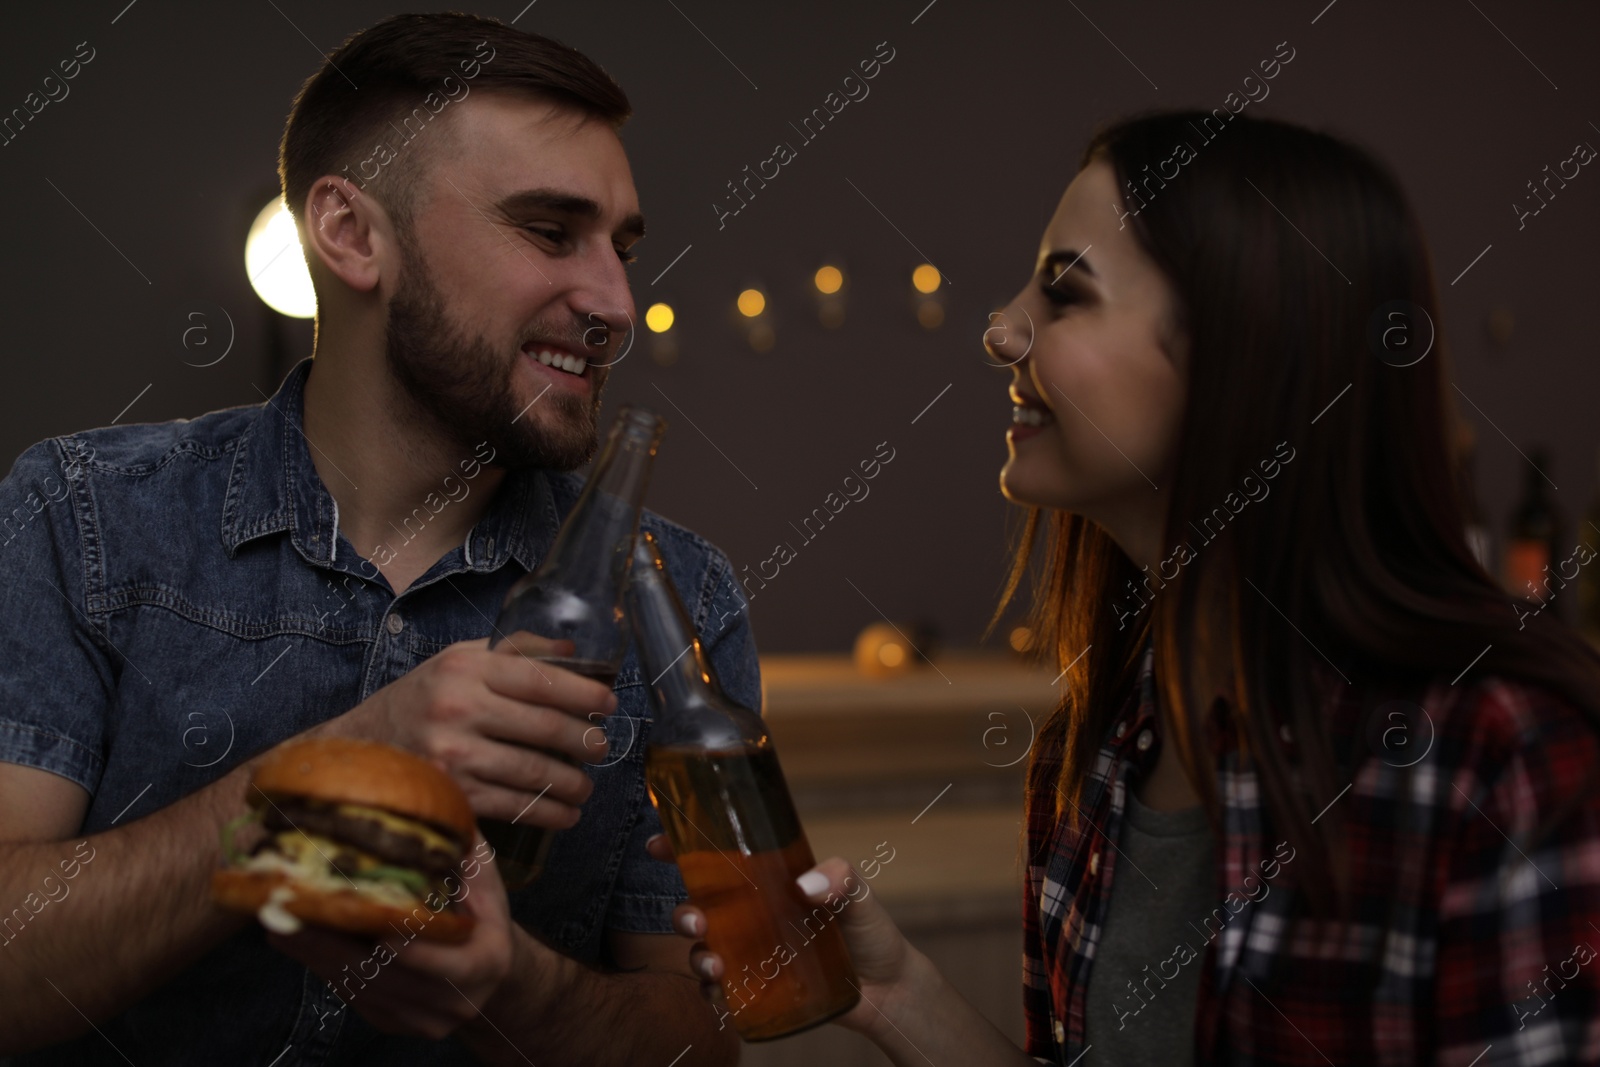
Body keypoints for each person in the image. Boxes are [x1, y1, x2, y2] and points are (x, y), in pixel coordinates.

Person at [653, 111, 1600, 1064]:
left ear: (1245, 348)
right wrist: (901, 996)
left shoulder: (1495, 758)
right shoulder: (1095, 749)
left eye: (1066, 294)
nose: (1000, 330)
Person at [0, 12, 754, 1065]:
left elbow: (699, 1044)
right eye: (550, 230)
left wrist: (514, 986)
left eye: (622, 247)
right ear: (354, 236)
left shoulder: (681, 596)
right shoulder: (81, 515)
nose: (615, 303)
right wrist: (337, 772)